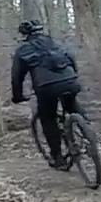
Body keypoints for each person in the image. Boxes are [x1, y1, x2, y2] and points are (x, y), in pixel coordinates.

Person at [9, 20, 83, 169]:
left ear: (24, 35)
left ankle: (57, 157)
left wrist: (18, 96)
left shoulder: (23, 50)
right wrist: (74, 76)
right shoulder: (56, 43)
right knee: (72, 105)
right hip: (70, 80)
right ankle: (88, 131)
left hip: (46, 87)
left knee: (48, 118)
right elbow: (72, 59)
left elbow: (17, 77)